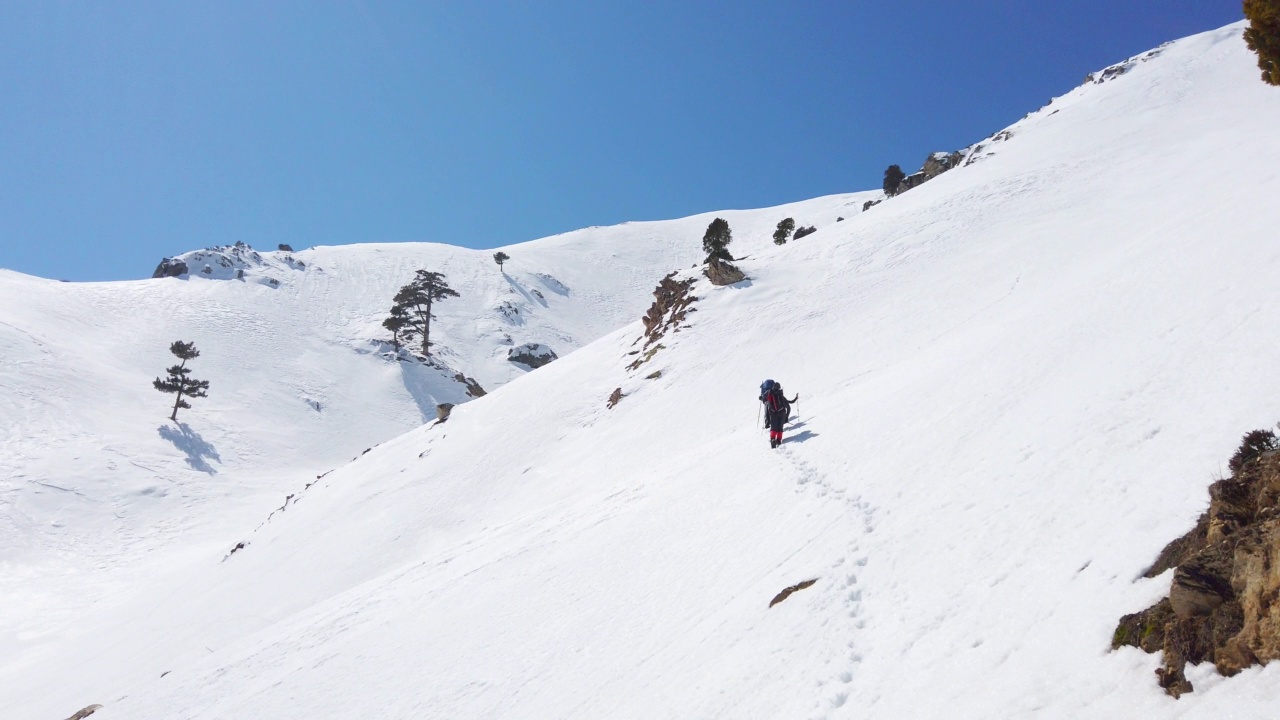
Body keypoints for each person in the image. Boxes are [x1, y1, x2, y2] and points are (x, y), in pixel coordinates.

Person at [759, 379, 799, 449]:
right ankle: (779, 440)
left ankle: (772, 439)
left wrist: (761, 397)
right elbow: (790, 402)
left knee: (774, 427)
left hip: (774, 413)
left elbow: (765, 399)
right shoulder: (780, 394)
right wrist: (796, 398)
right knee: (780, 428)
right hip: (782, 413)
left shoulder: (770, 393)